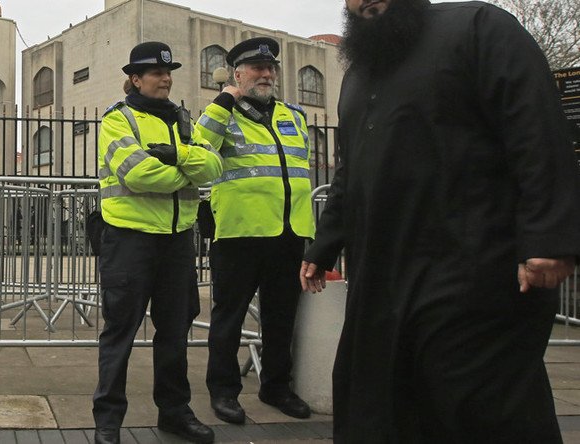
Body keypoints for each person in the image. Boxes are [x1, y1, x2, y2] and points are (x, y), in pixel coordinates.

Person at [299, 0, 580, 441]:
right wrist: (326, 241)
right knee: (380, 407)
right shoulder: (357, 75)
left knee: (479, 411)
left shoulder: (478, 27)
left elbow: (536, 129)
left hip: (473, 274)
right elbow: (350, 170)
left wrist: (550, 236)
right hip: (382, 280)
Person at [93, 41, 223, 444]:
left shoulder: (183, 119)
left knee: (174, 331)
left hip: (177, 241)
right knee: (120, 332)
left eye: (168, 73)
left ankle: (174, 411)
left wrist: (177, 157)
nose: (166, 79)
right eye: (156, 73)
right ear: (135, 79)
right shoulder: (118, 120)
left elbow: (215, 166)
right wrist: (188, 170)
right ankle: (108, 419)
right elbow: (138, 174)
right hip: (130, 239)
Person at [194, 37, 315, 424]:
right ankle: (224, 391)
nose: (266, 74)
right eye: (257, 68)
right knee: (228, 319)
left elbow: (299, 168)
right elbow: (199, 149)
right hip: (241, 234)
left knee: (282, 318)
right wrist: (223, 101)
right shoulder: (222, 114)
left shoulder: (294, 115)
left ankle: (277, 386)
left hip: (289, 233)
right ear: (237, 74)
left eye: (271, 68)